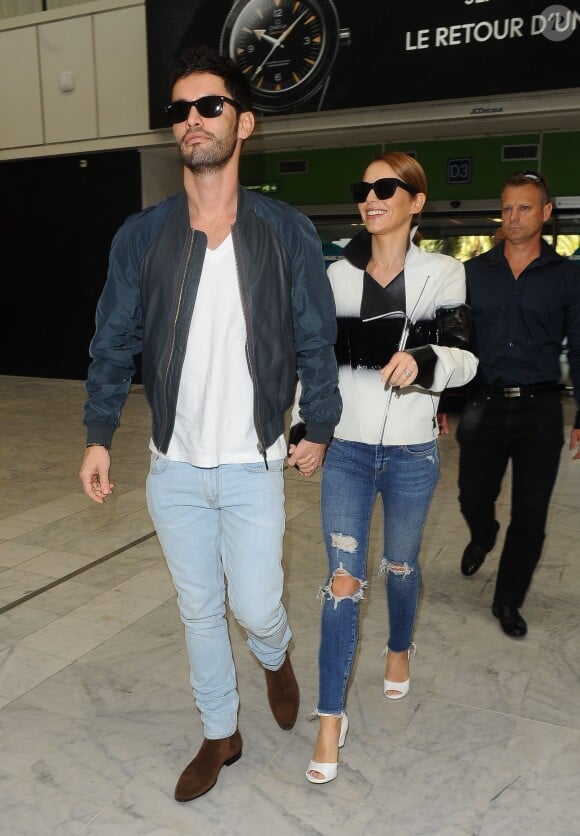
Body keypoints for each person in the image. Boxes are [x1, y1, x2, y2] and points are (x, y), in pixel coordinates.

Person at [79, 44, 341, 802]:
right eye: (180, 110)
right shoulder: (143, 236)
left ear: (244, 123)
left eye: (210, 106)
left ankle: (277, 653)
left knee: (255, 604)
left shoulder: (286, 232)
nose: (191, 120)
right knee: (198, 608)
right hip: (176, 466)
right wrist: (98, 433)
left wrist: (317, 422)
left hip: (255, 461)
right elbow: (113, 341)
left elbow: (314, 337)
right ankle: (220, 733)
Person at [289, 151, 478, 785]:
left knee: (399, 563)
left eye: (386, 188)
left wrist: (426, 361)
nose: (371, 198)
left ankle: (399, 647)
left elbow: (464, 357)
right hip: (344, 448)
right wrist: (305, 429)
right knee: (343, 579)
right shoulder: (335, 277)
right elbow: (312, 364)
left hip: (409, 454)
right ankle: (329, 719)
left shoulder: (443, 273)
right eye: (363, 188)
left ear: (416, 200)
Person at [457, 170, 580, 638]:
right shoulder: (473, 273)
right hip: (482, 404)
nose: (513, 216)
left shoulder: (567, 278)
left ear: (546, 213)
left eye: (524, 207)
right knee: (472, 495)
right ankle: (482, 534)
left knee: (530, 513)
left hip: (541, 410)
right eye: (507, 208)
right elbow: (456, 344)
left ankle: (508, 599)